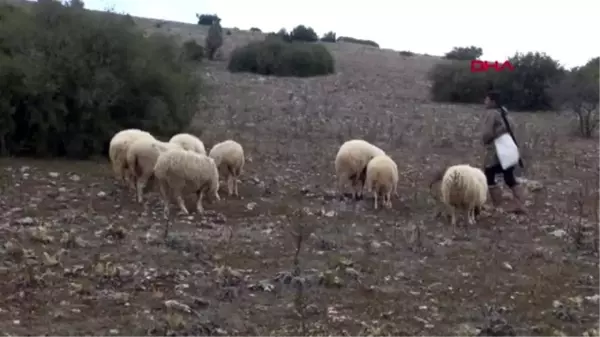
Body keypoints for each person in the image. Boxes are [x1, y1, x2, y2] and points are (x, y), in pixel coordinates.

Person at [481, 91, 527, 214]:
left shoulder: (491, 114)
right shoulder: (504, 112)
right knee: (509, 178)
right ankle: (521, 204)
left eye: (486, 99)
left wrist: (488, 139)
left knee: (489, 178)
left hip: (494, 153)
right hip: (506, 152)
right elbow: (512, 126)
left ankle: (497, 206)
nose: (484, 102)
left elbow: (487, 134)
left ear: (492, 102)